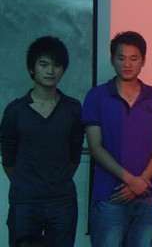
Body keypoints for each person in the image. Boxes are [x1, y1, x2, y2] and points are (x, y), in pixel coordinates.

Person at [82, 31, 152, 247]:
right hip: (110, 194)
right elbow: (95, 147)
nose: (127, 64)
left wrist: (141, 181)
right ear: (112, 59)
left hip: (147, 194)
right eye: (121, 58)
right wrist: (131, 181)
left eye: (134, 58)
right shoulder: (96, 96)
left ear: (143, 61)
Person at [0, 36, 84, 247]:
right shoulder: (15, 110)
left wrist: (56, 181)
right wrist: (27, 184)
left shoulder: (73, 109)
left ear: (63, 70)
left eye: (57, 65)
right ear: (32, 69)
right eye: (44, 64)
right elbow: (8, 159)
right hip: (25, 202)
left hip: (62, 201)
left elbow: (74, 156)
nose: (50, 71)